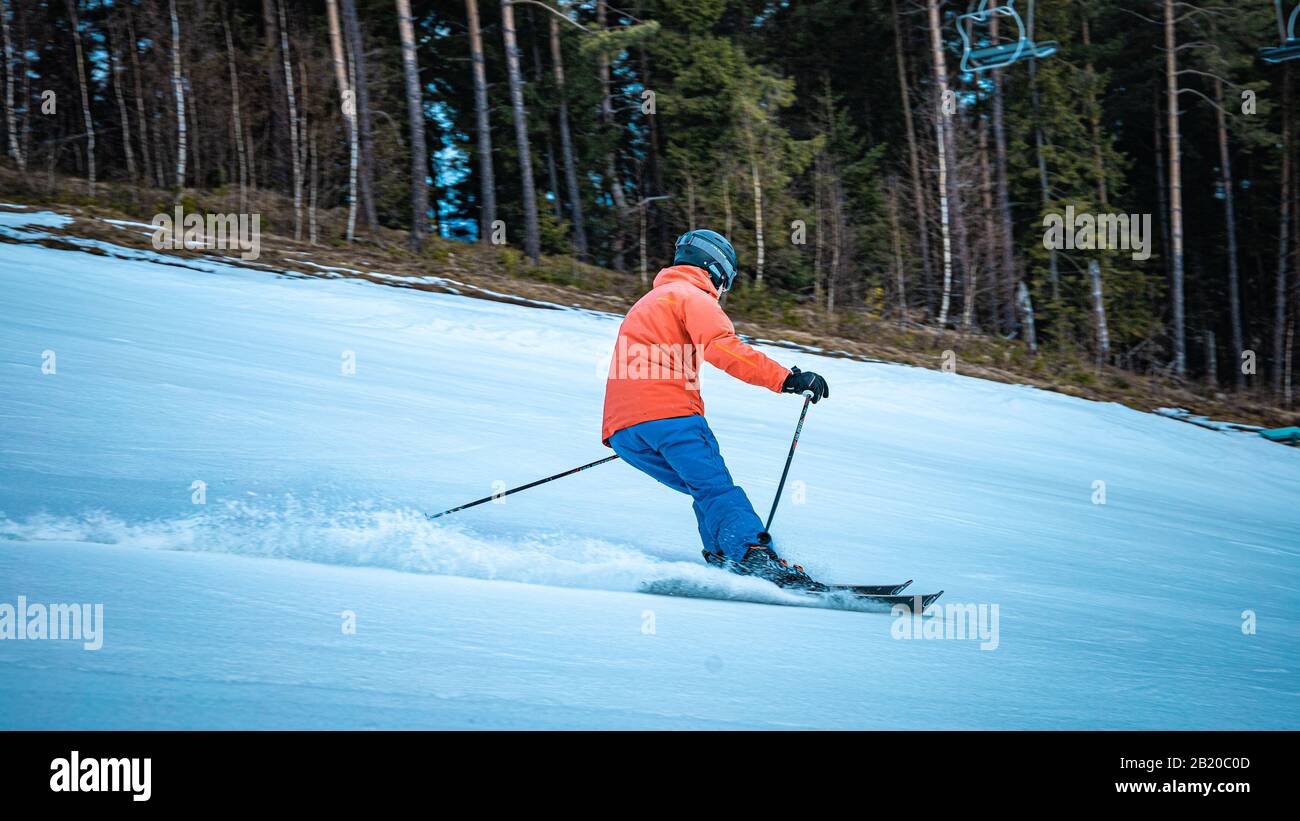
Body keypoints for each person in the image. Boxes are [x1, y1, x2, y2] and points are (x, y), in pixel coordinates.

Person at [601, 229, 830, 588]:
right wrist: (787, 379)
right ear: (717, 270)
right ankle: (753, 557)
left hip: (625, 432)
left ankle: (724, 558)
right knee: (717, 490)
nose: (724, 293)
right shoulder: (692, 297)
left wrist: (639, 426)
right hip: (670, 418)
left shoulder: (648, 301)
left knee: (703, 489)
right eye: (728, 283)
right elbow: (724, 348)